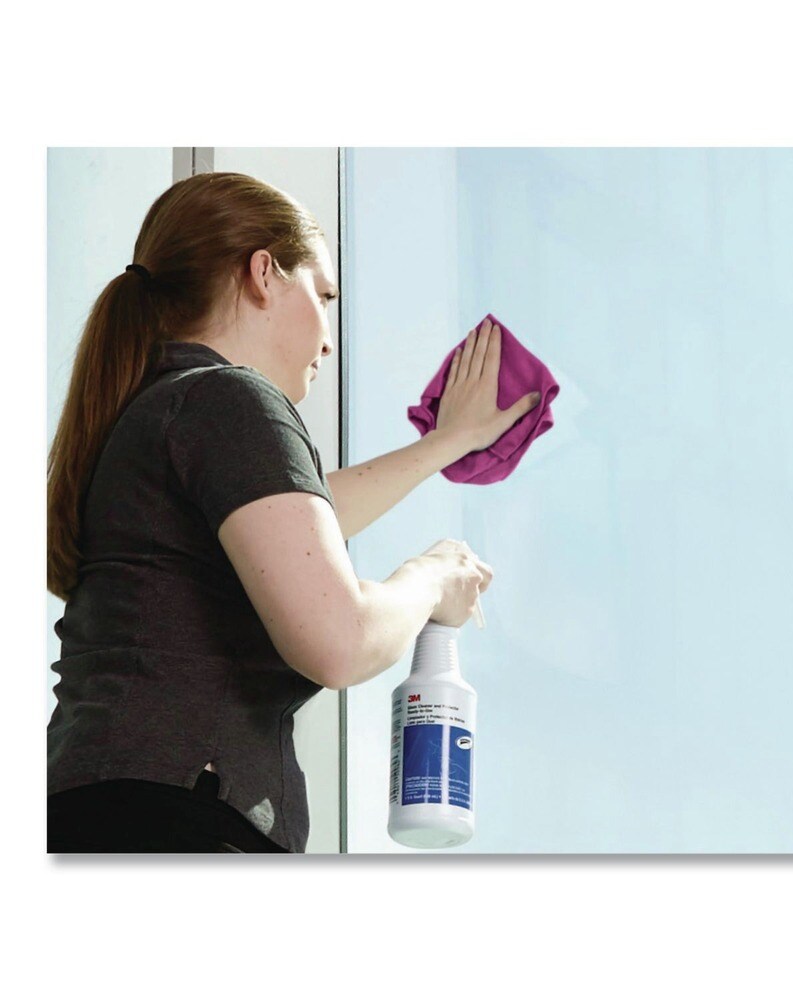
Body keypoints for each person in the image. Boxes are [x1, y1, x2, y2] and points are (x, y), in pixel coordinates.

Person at [46, 171, 541, 853]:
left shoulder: (166, 408)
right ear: (263, 274)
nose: (329, 340)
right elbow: (341, 640)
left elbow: (295, 522)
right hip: (176, 824)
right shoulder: (229, 399)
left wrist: (446, 443)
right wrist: (431, 576)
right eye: (324, 296)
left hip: (107, 813)